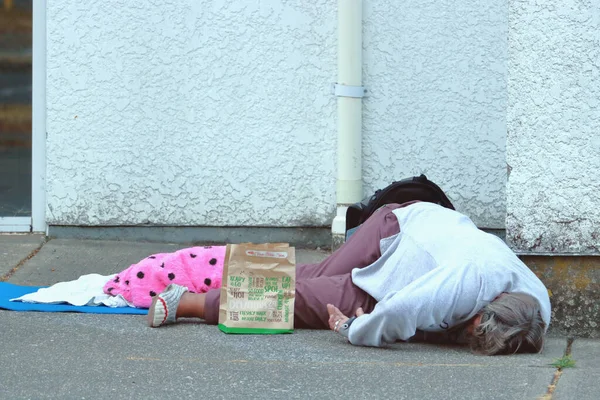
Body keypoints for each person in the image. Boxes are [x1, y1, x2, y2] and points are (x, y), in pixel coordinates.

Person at [148, 201, 551, 355]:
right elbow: (398, 311)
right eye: (474, 333)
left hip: (419, 257)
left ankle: (220, 274)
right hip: (398, 228)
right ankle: (188, 300)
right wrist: (352, 327)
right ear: (485, 308)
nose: (468, 340)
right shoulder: (465, 283)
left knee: (315, 279)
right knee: (309, 298)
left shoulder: (535, 308)